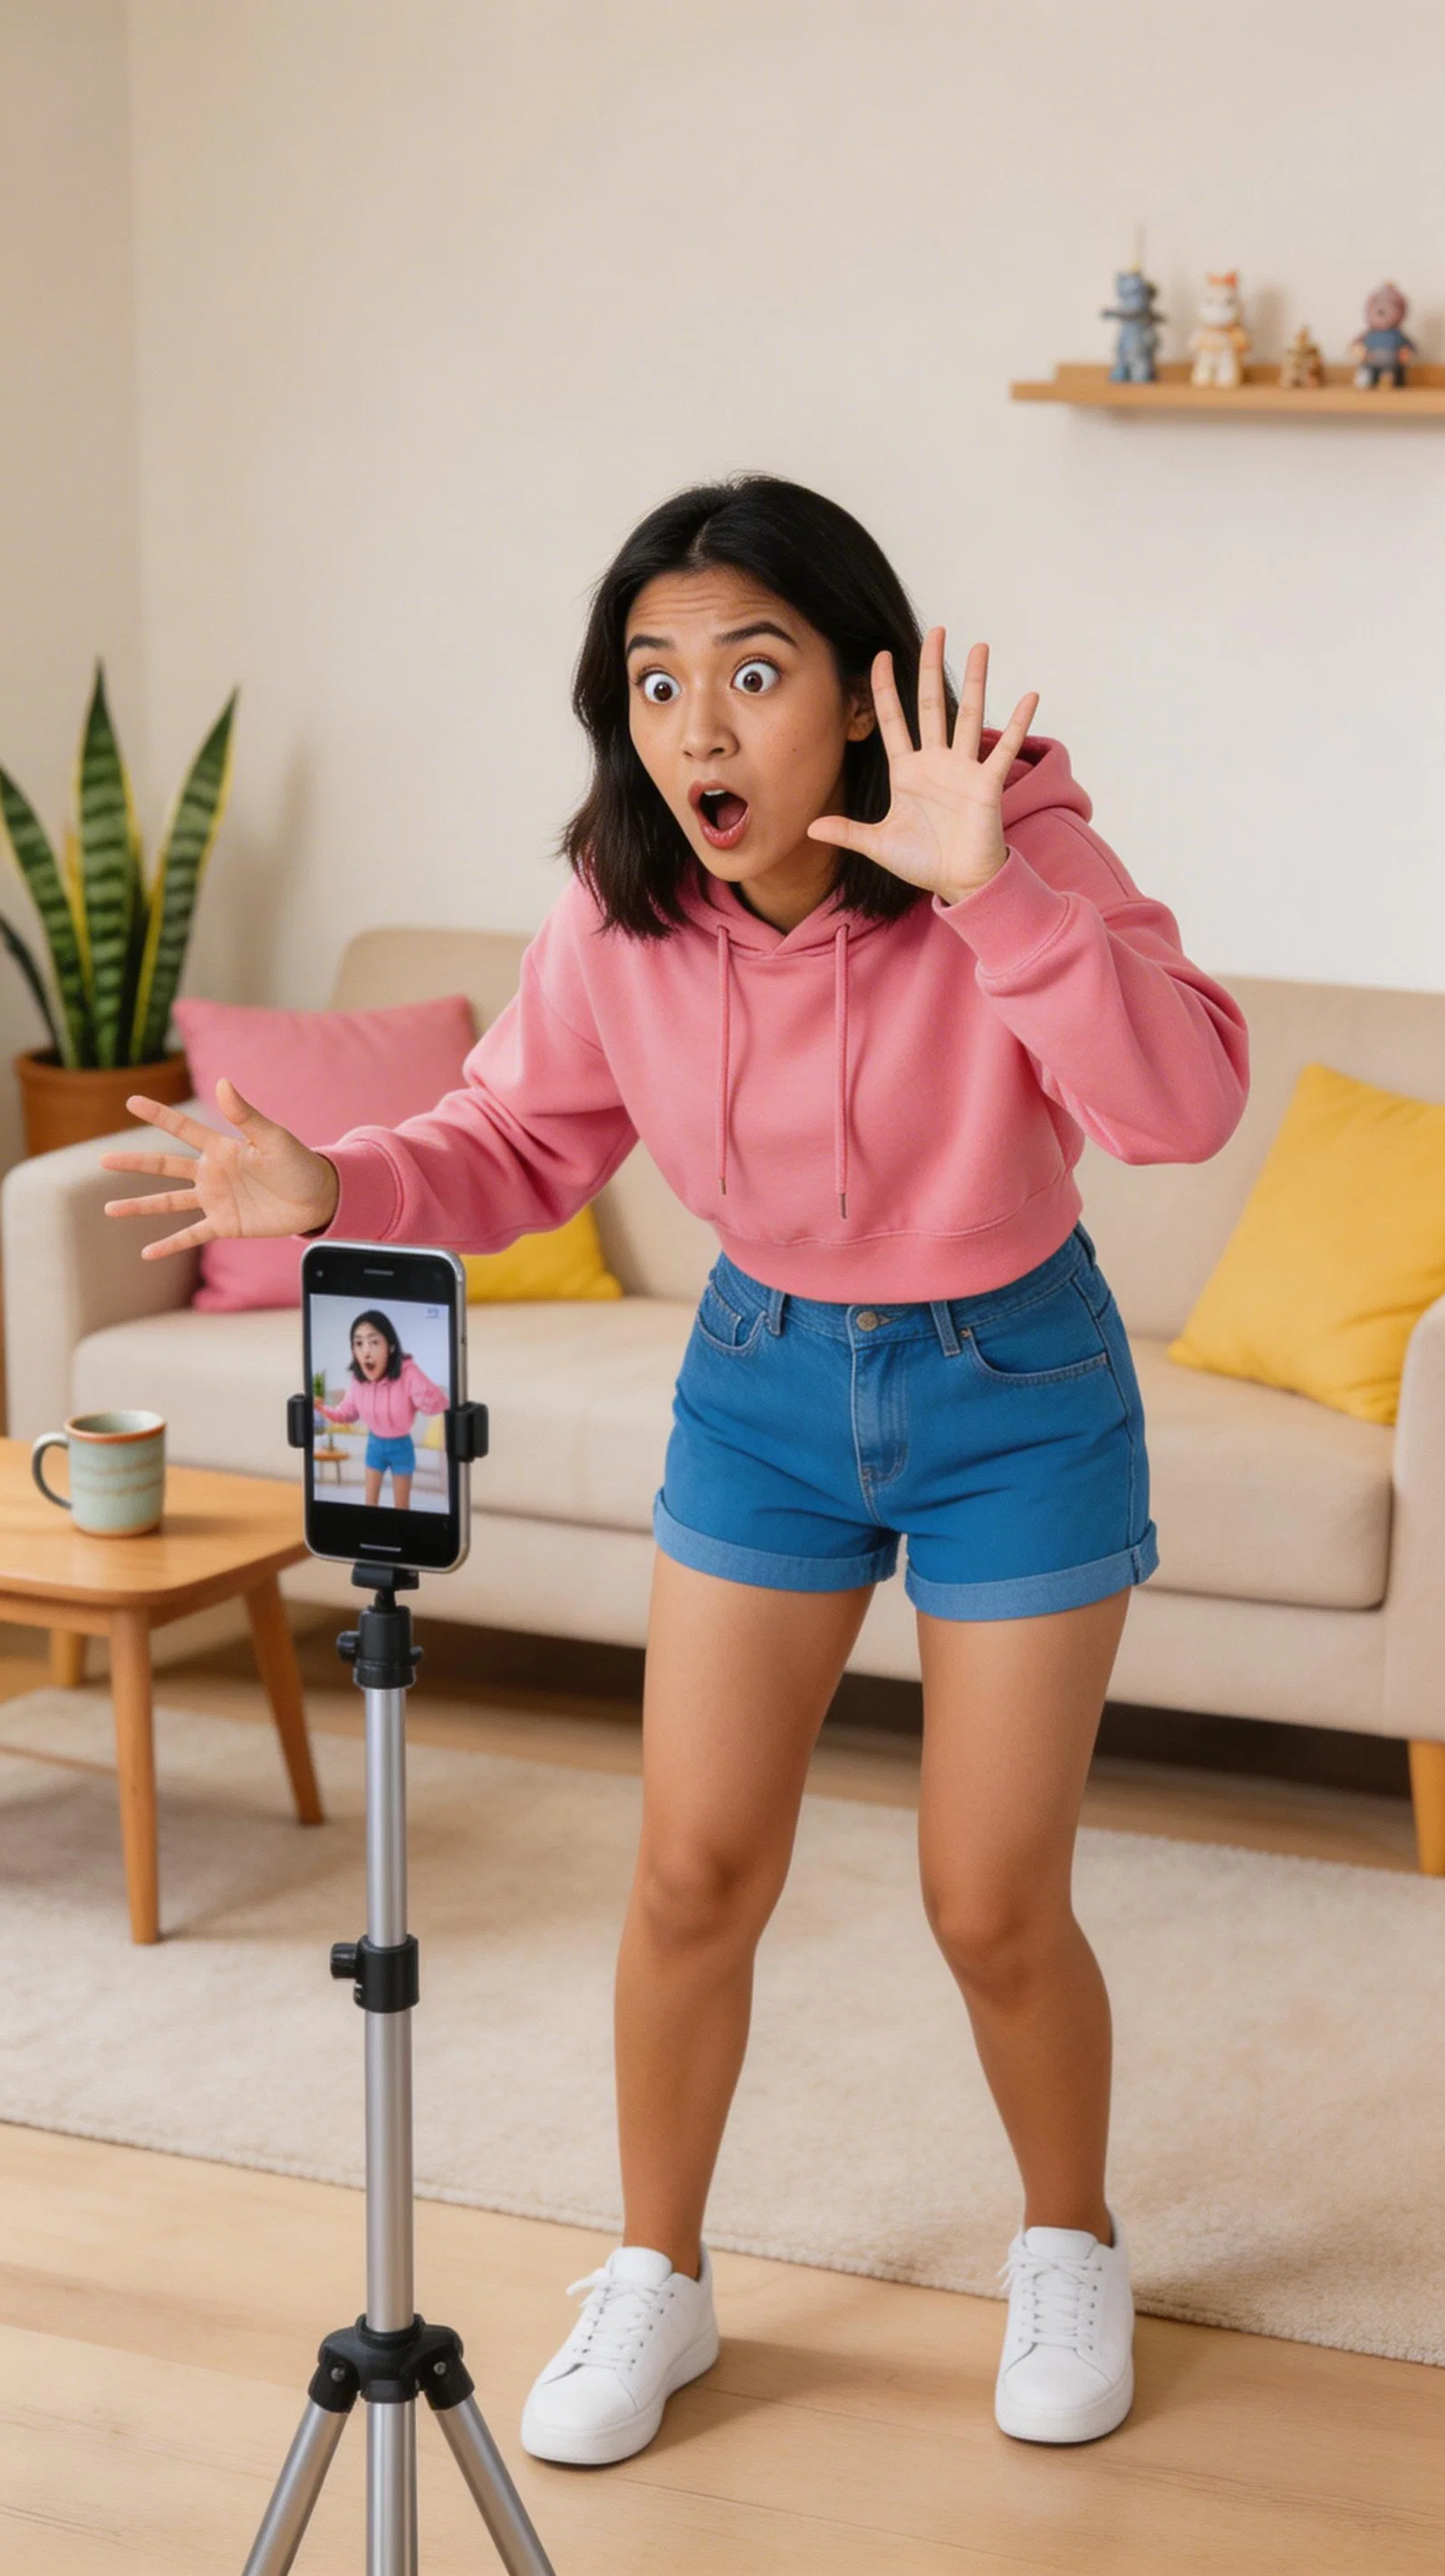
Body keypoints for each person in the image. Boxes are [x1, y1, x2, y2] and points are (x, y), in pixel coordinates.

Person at [101, 473, 1249, 2464]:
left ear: (857, 686)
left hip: (1016, 1382)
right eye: (652, 684)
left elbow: (1180, 1107)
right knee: (691, 1869)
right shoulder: (624, 905)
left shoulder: (1006, 834)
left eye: (749, 671)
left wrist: (996, 894)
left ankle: (1066, 2238)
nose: (696, 731)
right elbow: (512, 1142)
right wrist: (328, 1185)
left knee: (987, 1900)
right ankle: (658, 2275)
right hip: (762, 1379)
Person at [314, 1306, 448, 1508]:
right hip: (374, 1446)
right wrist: (323, 1409)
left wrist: (411, 1372)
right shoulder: (358, 1382)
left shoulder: (407, 1374)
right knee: (370, 1506)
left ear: (391, 1347)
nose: (366, 1351)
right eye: (359, 1343)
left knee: (402, 1508)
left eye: (374, 1342)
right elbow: (347, 1413)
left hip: (401, 1447)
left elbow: (437, 1405)